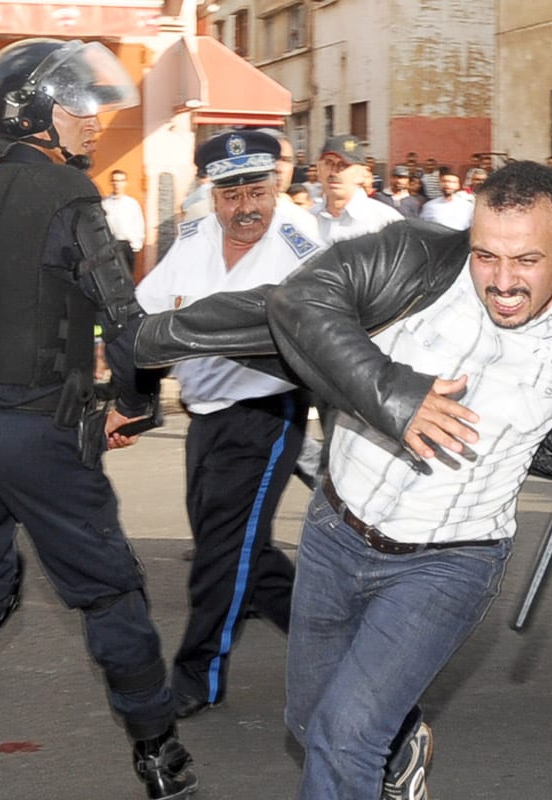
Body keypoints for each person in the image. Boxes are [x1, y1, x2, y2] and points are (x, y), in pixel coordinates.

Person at [131, 161, 552, 799]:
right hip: (335, 533)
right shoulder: (413, 263)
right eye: (486, 255)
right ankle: (402, 744)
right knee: (310, 721)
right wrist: (395, 396)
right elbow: (298, 300)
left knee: (345, 736)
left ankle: (379, 742)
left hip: (450, 564)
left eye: (526, 261)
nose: (502, 281)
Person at [0, 38, 197, 800]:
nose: (95, 120)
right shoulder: (68, 199)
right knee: (108, 592)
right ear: (37, 113)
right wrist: (133, 402)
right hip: (40, 434)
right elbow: (132, 326)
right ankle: (161, 762)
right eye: (80, 104)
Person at [135, 129, 319, 720]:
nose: (244, 208)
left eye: (256, 192)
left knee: (221, 552)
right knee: (244, 549)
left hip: (266, 414)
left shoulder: (300, 246)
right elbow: (147, 313)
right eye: (230, 194)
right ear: (212, 196)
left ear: (275, 186)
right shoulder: (192, 238)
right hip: (206, 416)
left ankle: (196, 676)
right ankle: (331, 642)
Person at [312, 135, 402, 245]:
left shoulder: (385, 221)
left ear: (363, 173)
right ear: (318, 169)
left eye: (343, 165)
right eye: (329, 163)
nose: (334, 172)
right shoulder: (306, 219)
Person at [101, 168, 146, 275]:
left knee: (127, 276)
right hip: (109, 245)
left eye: (121, 181)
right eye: (115, 181)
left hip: (127, 245)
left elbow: (138, 223)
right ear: (111, 182)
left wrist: (136, 244)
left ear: (125, 183)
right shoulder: (104, 203)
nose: (117, 184)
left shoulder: (131, 203)